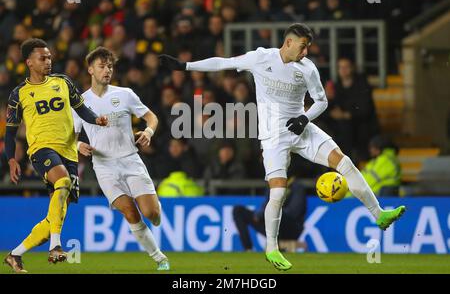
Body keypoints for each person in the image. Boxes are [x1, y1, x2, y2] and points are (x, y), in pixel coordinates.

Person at [159, 23, 406, 271]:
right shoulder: (260, 58)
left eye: (308, 47)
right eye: (302, 46)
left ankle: (379, 214)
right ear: (288, 43)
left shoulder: (308, 69)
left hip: (301, 129)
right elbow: (222, 62)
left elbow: (322, 101)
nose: (306, 52)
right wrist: (185, 66)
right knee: (278, 193)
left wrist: (304, 118)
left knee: (345, 162)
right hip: (273, 138)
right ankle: (272, 249)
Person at [3, 38, 108, 273]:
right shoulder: (18, 94)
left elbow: (81, 109)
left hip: (69, 151)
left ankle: (15, 254)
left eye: (49, 57)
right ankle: (56, 247)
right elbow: (10, 133)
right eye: (43, 58)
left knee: (56, 214)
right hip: (41, 148)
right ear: (29, 62)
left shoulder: (63, 82)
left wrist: (96, 119)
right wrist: (11, 159)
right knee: (62, 181)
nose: (48, 61)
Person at [73, 47, 169, 271]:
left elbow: (151, 117)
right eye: (102, 66)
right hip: (104, 166)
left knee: (151, 214)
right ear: (90, 70)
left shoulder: (125, 94)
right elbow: (69, 137)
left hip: (130, 159)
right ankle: (159, 258)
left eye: (110, 66)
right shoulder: (79, 102)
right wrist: (78, 145)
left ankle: (156, 209)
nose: (107, 70)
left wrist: (148, 132)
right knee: (130, 211)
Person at [233, 180, 307, 252]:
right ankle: (248, 249)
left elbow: (294, 212)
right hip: (271, 223)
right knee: (238, 211)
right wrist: (259, 215)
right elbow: (266, 204)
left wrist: (270, 212)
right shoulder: (273, 184)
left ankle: (276, 250)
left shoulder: (296, 186)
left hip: (291, 228)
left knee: (275, 212)